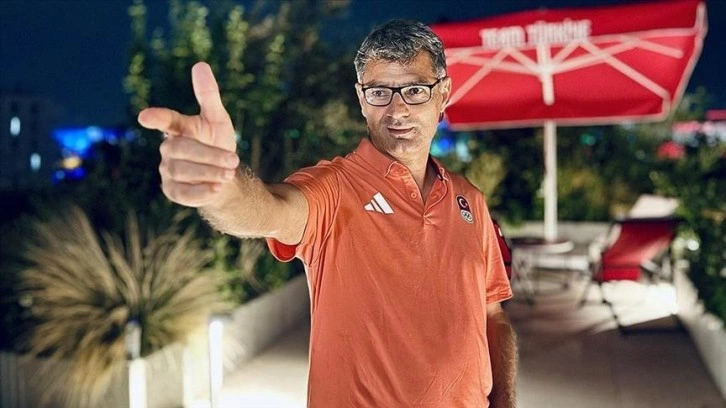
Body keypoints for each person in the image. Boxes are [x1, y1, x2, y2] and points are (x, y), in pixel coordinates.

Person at [138, 19, 517, 408]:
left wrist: (504, 401)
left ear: (444, 94)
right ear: (361, 99)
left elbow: (493, 315)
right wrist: (221, 186)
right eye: (379, 92)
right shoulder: (335, 189)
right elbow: (269, 210)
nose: (398, 109)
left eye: (416, 90)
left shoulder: (470, 200)